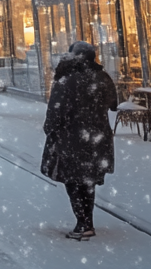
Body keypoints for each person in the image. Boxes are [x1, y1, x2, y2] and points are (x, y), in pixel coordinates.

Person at [40, 41, 117, 240]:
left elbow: (55, 111)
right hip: (97, 137)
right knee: (88, 180)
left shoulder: (67, 79)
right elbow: (113, 103)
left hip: (72, 137)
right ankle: (87, 221)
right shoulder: (102, 77)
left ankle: (83, 223)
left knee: (73, 180)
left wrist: (50, 129)